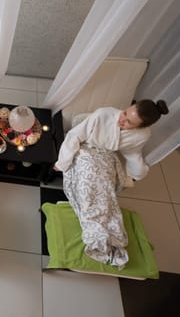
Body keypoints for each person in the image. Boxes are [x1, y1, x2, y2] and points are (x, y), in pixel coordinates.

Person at [54, 100, 169, 268]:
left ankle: (113, 234)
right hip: (85, 150)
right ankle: (95, 233)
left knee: (106, 190)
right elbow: (74, 135)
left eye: (129, 122)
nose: (122, 120)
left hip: (106, 157)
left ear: (139, 127)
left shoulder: (142, 135)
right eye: (124, 113)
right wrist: (62, 162)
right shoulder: (104, 114)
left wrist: (137, 173)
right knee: (89, 186)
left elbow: (132, 153)